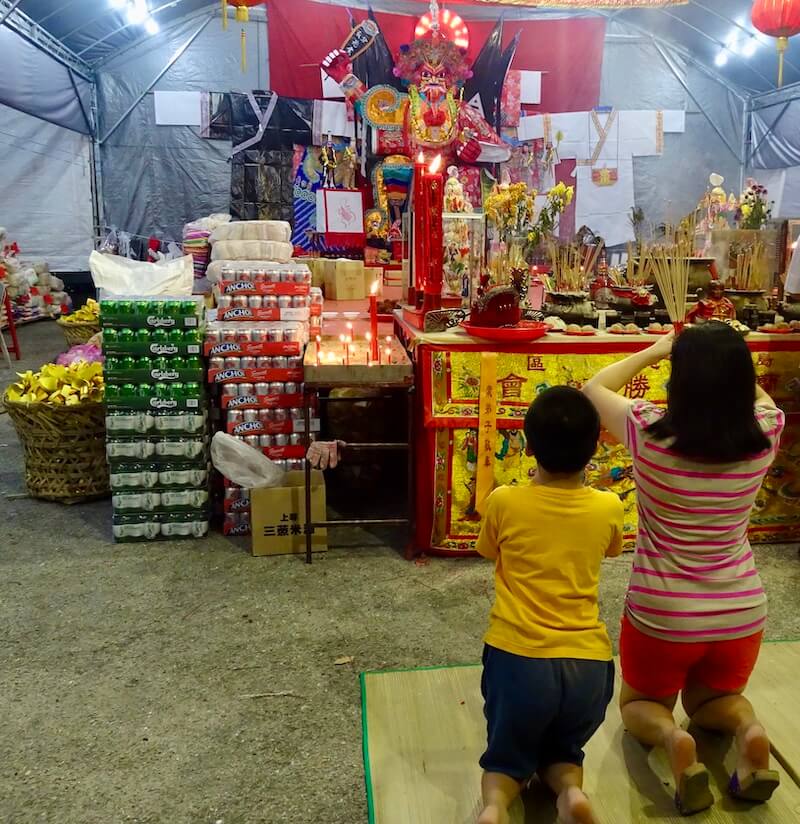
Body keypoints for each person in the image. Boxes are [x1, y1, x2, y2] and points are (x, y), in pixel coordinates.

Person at [583, 322, 784, 815]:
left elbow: (593, 388)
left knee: (638, 707)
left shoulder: (648, 430)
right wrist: (728, 357)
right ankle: (747, 729)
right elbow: (758, 398)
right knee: (711, 703)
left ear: (678, 382)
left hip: (663, 611)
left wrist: (658, 349)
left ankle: (672, 738)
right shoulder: (767, 432)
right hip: (741, 609)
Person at [476, 386, 624, 824]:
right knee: (563, 753)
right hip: (589, 665)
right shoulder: (608, 506)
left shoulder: (504, 501)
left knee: (504, 761)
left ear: (526, 444)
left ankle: (496, 807)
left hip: (518, 657)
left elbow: (488, 551)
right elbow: (612, 550)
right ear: (595, 447)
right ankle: (570, 794)